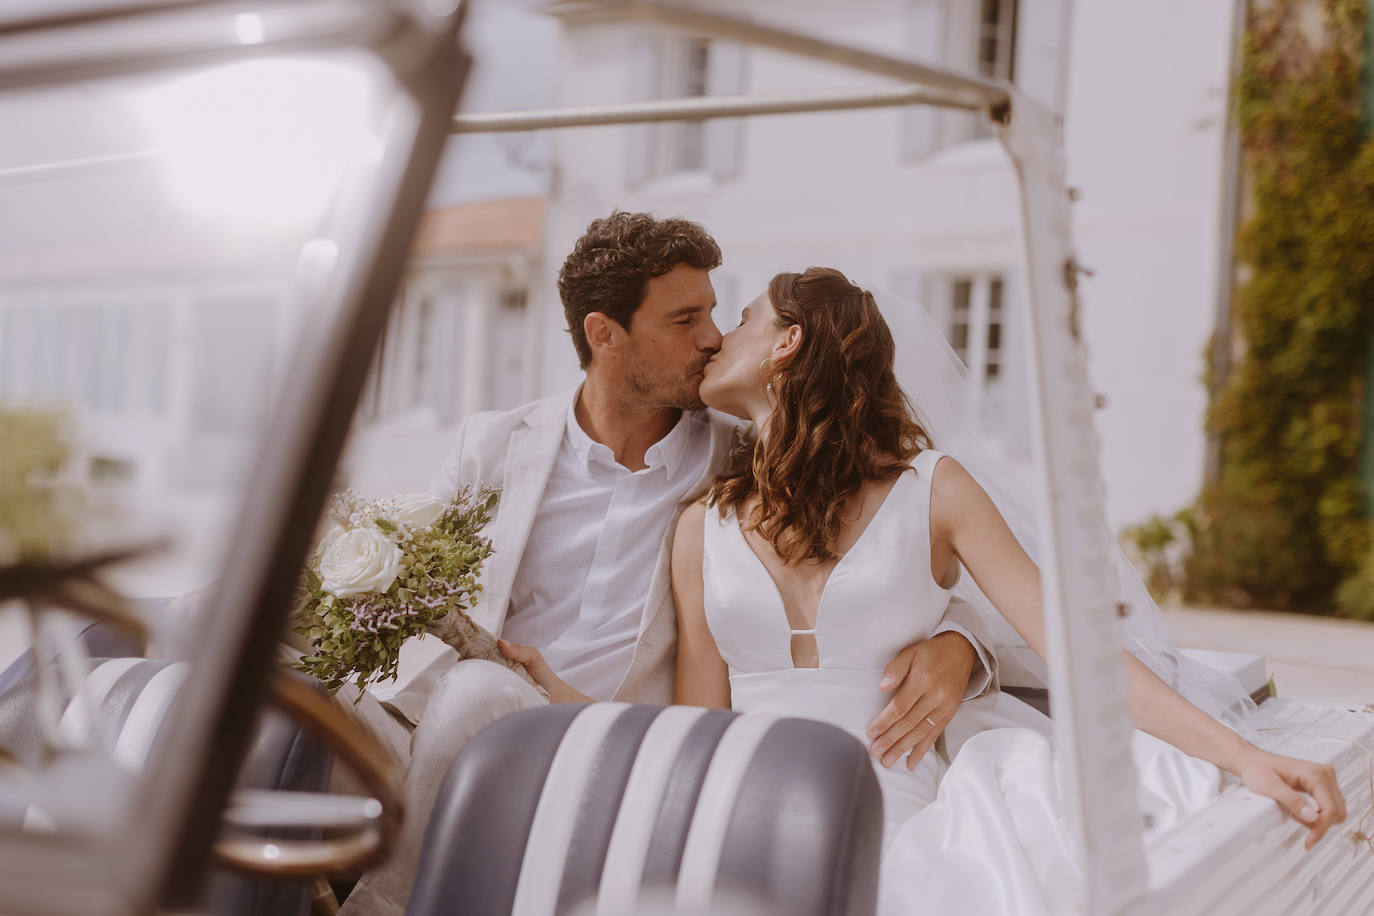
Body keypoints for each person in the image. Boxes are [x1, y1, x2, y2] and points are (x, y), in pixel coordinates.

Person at [512, 266, 1348, 915]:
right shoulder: (702, 526)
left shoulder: (933, 491)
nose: (716, 336)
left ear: (787, 344)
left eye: (741, 319)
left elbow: (1081, 651)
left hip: (898, 809)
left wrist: (1246, 758)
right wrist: (574, 707)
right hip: (744, 811)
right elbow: (699, 729)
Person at [336, 217, 997, 915]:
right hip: (445, 732)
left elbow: (877, 553)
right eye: (687, 319)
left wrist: (961, 643)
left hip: (609, 746)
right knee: (270, 682)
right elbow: (395, 573)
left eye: (716, 313)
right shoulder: (495, 446)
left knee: (477, 691)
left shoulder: (748, 465)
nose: (712, 337)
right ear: (604, 334)